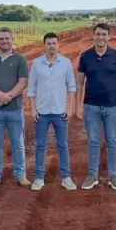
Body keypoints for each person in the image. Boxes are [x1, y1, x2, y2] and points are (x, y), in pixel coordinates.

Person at [76, 23, 116, 190]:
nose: (101, 37)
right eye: (98, 34)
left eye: (104, 34)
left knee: (112, 141)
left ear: (109, 36)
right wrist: (78, 105)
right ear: (93, 36)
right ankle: (93, 175)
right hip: (91, 106)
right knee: (93, 141)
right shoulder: (85, 56)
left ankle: (114, 176)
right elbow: (79, 82)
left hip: (112, 106)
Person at [0, 27, 31, 189]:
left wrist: (4, 98)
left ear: (12, 39)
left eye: (7, 38)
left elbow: (23, 82)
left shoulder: (20, 59)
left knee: (18, 143)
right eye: (1, 39)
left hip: (15, 109)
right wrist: (0, 95)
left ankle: (21, 175)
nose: (4, 41)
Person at [27, 33, 77, 191]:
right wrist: (32, 108)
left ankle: (66, 177)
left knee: (62, 145)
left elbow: (71, 86)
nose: (51, 46)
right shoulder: (36, 64)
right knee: (41, 145)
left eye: (54, 43)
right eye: (48, 43)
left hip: (60, 112)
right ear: (44, 45)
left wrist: (70, 108)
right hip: (41, 112)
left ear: (58, 45)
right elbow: (32, 88)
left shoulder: (66, 63)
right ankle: (39, 178)